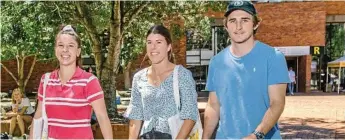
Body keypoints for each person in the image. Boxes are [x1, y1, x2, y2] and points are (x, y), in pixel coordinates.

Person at [202, 1, 290, 139]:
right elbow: (213, 105)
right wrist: (205, 138)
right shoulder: (216, 62)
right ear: (226, 26)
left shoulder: (273, 57)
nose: (238, 26)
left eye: (245, 20)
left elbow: (277, 103)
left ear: (255, 24)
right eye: (232, 21)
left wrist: (256, 135)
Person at [29, 25, 112, 139]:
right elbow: (38, 117)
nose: (65, 50)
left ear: (78, 52)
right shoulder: (46, 80)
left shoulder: (89, 81)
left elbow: (102, 117)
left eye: (70, 46)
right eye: (61, 45)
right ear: (55, 49)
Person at [124, 25, 199, 139]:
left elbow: (190, 115)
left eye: (158, 42)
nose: (153, 47)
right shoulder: (139, 78)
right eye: (149, 42)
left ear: (168, 46)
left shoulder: (182, 75)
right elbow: (136, 116)